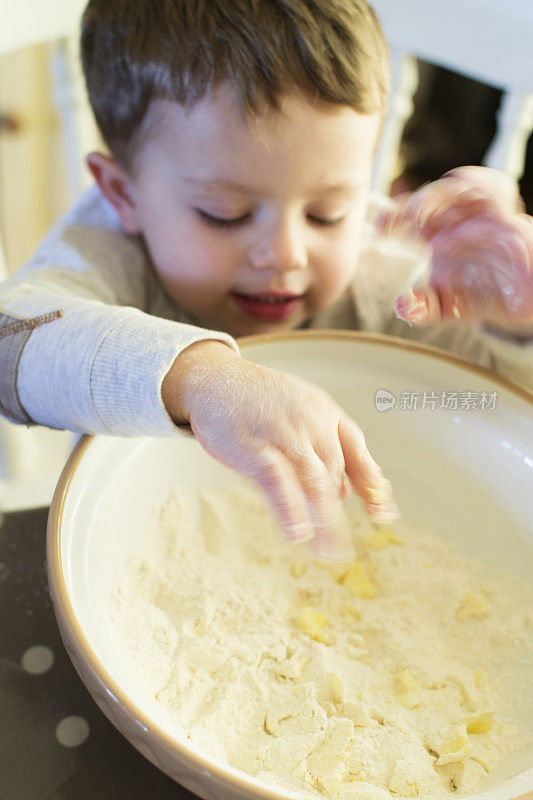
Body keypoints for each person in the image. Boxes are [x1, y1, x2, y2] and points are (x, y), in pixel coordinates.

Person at [0, 0, 531, 561]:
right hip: (126, 545)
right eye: (224, 214)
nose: (285, 254)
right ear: (123, 194)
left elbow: (486, 402)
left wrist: (513, 323)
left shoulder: (386, 274)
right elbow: (8, 346)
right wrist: (204, 380)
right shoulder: (108, 254)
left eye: (328, 212)